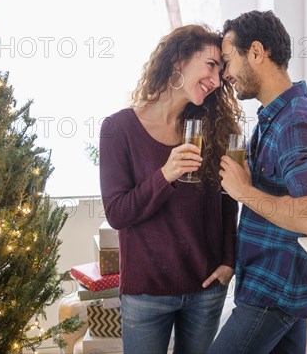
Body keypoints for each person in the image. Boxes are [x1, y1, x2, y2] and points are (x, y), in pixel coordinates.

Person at [99, 25, 242, 354]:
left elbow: (227, 203)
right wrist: (165, 175)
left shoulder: (211, 128)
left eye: (221, 71)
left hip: (206, 290)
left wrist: (229, 259)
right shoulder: (118, 129)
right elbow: (118, 213)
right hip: (146, 294)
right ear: (178, 60)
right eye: (210, 65)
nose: (217, 80)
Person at [210, 10, 307, 353]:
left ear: (257, 52)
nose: (225, 74)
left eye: (228, 60)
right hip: (276, 286)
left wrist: (244, 192)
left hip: (275, 292)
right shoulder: (273, 118)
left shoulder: (294, 122)